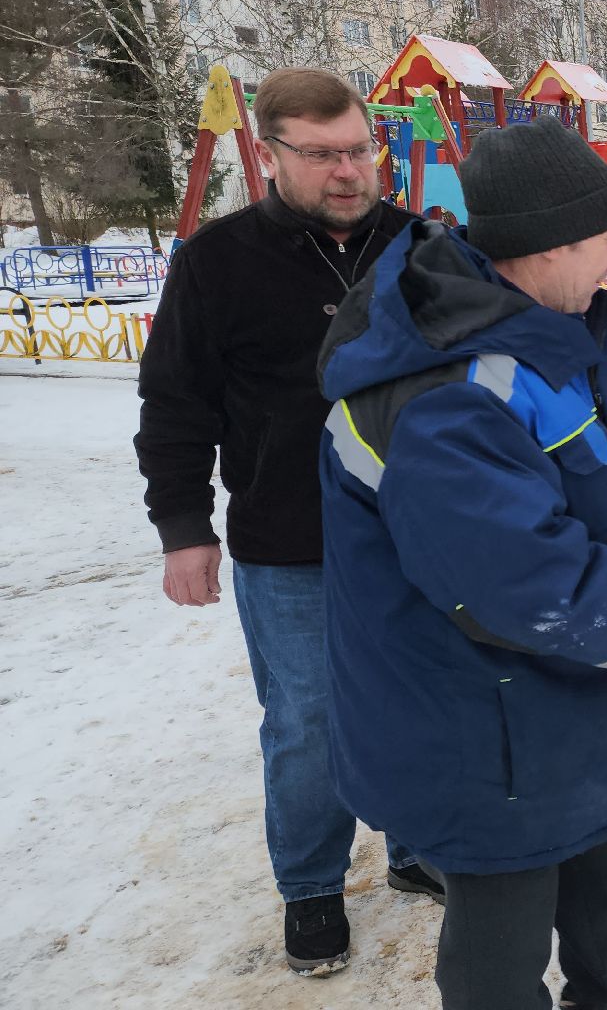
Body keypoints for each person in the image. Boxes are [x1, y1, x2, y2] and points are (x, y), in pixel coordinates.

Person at [315, 116, 607, 1009]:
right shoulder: (445, 394)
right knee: (502, 949)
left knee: (606, 895)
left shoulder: (542, 335)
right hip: (482, 737)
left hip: (562, 715)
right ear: (549, 243)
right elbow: (532, 588)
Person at [133, 67, 436, 977]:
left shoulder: (421, 247)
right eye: (323, 155)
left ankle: (417, 844)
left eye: (359, 150)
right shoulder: (217, 262)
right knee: (308, 721)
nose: (348, 171)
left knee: (420, 694)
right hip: (287, 539)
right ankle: (310, 886)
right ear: (270, 156)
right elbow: (174, 401)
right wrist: (184, 527)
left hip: (416, 532)